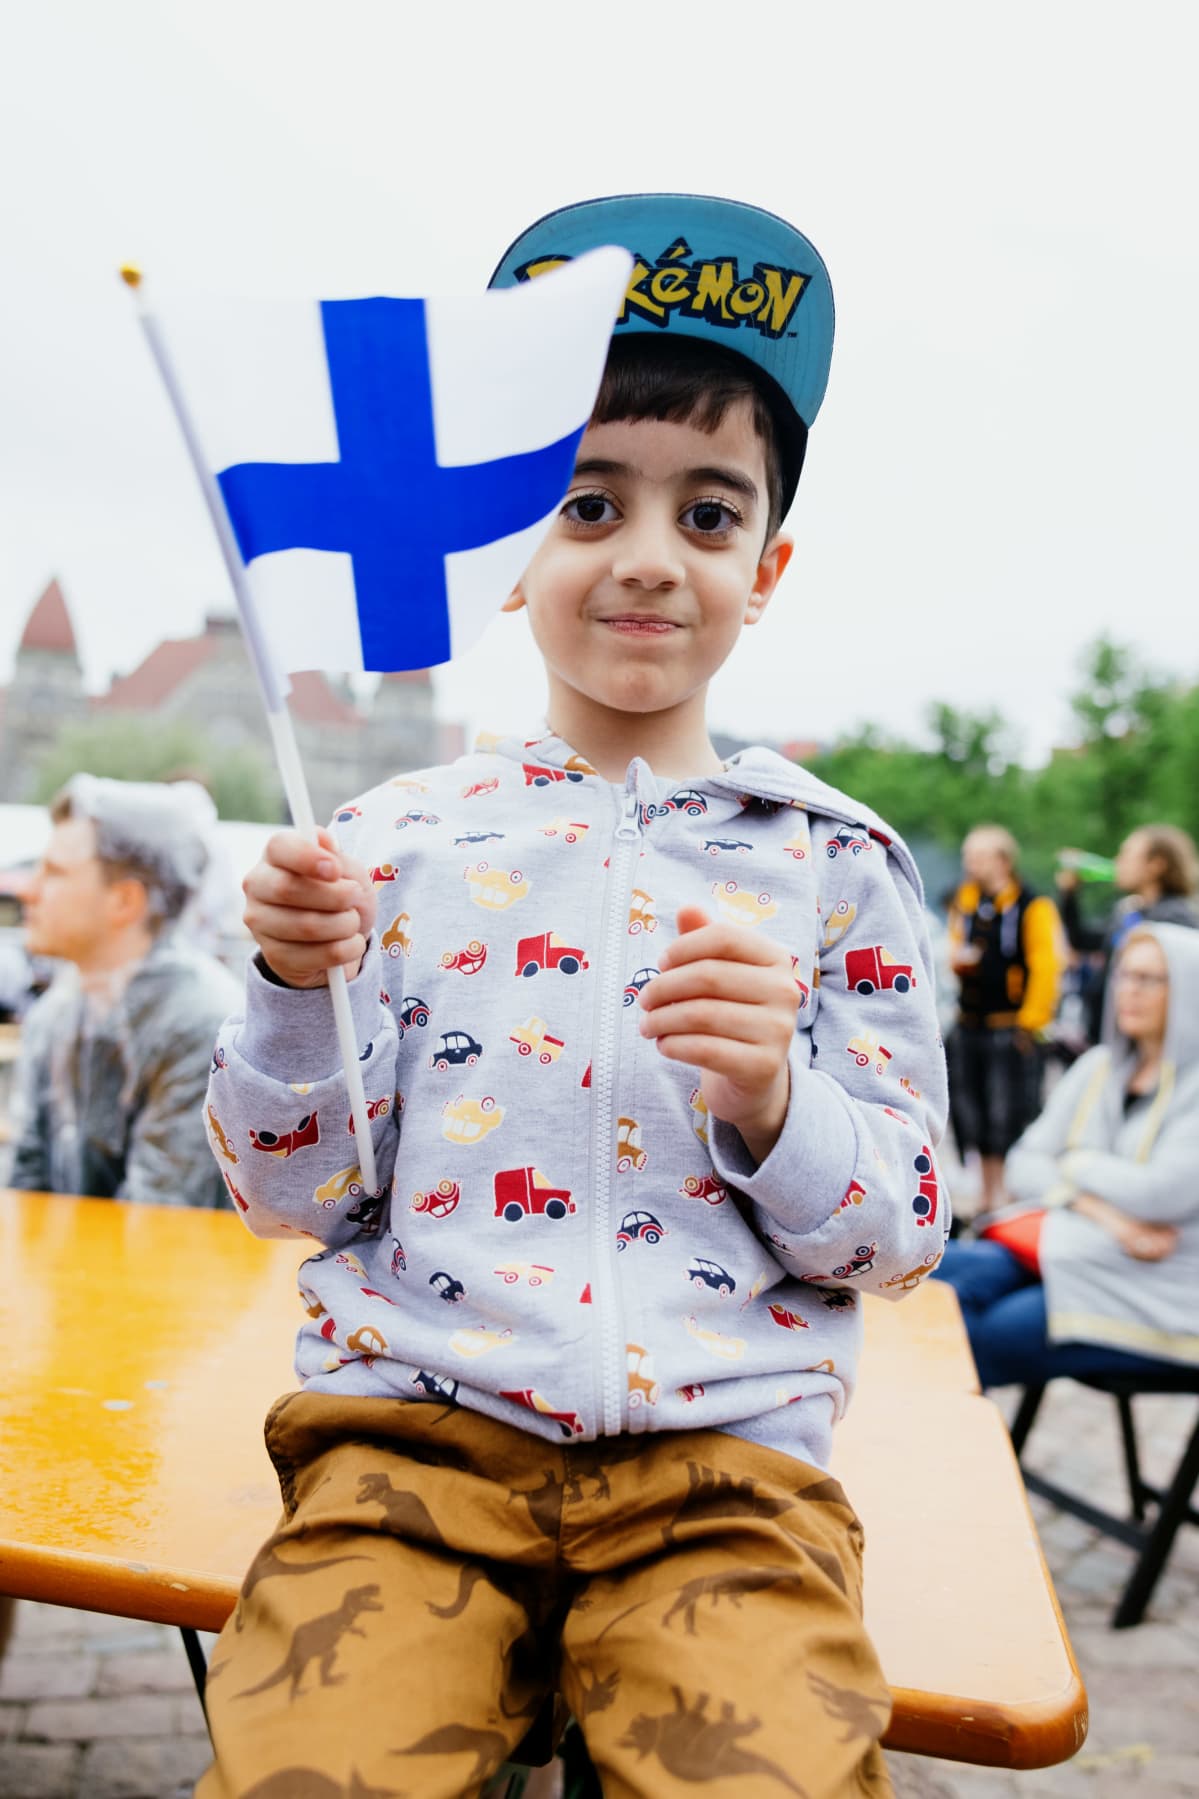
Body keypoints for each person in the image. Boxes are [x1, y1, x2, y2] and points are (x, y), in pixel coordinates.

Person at [197, 194, 950, 1799]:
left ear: (767, 564)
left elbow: (897, 1226)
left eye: (706, 514)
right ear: (508, 542)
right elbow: (290, 1196)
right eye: (588, 500)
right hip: (409, 1449)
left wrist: (771, 1099)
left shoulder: (830, 862)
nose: (645, 559)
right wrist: (285, 989)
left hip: (726, 1480)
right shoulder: (388, 845)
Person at [934, 923, 1199, 1388]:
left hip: (1152, 1294)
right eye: (1124, 975)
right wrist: (1096, 1206)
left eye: (1150, 979)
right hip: (1077, 1248)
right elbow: (1023, 1164)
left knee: (983, 1334)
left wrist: (1073, 1161)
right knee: (938, 1278)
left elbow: (1159, 1194)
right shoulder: (1101, 1067)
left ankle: (945, 1447)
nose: (1129, 991)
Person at [9, 774, 240, 1207]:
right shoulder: (58, 1013)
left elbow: (160, 1223)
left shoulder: (202, 1026)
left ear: (125, 902)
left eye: (54, 872)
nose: (29, 888)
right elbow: (26, 1189)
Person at [946, 824, 1065, 1213]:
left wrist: (1030, 1025)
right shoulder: (965, 901)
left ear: (1002, 861)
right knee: (972, 1110)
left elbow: (1046, 967)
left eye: (977, 856)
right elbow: (954, 947)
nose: (969, 864)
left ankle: (1007, 1196)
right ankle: (986, 1193)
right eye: (968, 856)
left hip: (1009, 1026)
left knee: (1009, 1112)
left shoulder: (1033, 906)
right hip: (970, 1022)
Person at [1056, 824, 1199, 1044]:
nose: (1118, 862)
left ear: (1156, 865)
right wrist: (1069, 895)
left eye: (1126, 854)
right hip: (1112, 1041)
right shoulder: (1131, 912)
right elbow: (1082, 940)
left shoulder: (1176, 922)